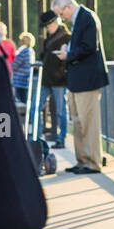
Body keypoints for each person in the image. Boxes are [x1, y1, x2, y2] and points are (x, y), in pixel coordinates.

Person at [54, 0, 108, 175]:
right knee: (77, 122)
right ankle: (82, 160)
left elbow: (89, 46)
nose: (62, 18)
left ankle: (93, 162)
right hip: (77, 80)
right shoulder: (79, 19)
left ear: (68, 7)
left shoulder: (87, 17)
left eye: (61, 14)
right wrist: (67, 48)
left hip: (88, 80)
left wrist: (68, 54)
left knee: (89, 123)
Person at [37, 9, 69, 148]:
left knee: (61, 111)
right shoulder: (47, 39)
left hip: (59, 79)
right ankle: (37, 139)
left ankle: (61, 139)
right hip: (46, 79)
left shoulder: (66, 37)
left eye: (48, 25)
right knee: (35, 107)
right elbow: (43, 56)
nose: (47, 28)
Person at [12, 29, 35, 107]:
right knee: (25, 100)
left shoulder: (24, 51)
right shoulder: (31, 51)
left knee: (21, 101)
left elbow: (16, 64)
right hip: (26, 79)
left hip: (20, 80)